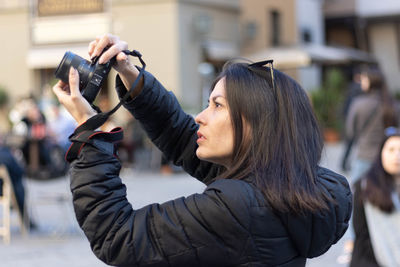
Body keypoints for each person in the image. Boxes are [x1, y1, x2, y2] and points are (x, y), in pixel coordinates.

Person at [52, 34, 352, 266]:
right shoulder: (295, 187)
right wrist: (129, 72)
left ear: (255, 125)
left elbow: (117, 236)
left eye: (217, 105)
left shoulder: (239, 208)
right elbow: (184, 137)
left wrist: (89, 130)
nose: (201, 116)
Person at [350, 127, 400, 267]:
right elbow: (361, 235)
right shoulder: (365, 186)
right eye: (391, 150)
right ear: (381, 153)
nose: (397, 155)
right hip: (370, 260)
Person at [345, 66, 400, 184]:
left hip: (365, 155)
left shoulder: (359, 104)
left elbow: (350, 131)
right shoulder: (393, 105)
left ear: (370, 81)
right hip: (387, 157)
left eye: (364, 79)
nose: (362, 82)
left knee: (356, 191)